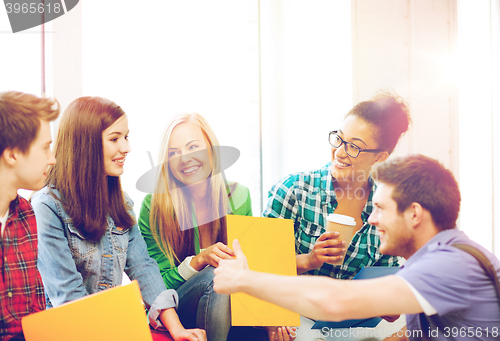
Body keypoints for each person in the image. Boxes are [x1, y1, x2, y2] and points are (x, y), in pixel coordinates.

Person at [214, 154, 500, 341]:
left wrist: (243, 278)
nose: (372, 219)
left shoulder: (449, 265)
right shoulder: (439, 258)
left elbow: (336, 301)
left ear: (414, 214)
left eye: (380, 208)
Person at [31, 97, 206, 341]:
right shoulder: (46, 207)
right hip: (71, 332)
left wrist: (177, 330)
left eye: (126, 137)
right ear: (85, 144)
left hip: (109, 328)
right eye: (115, 139)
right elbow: (69, 297)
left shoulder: (122, 203)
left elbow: (143, 268)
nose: (126, 148)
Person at [263, 92, 411, 339]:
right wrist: (309, 260)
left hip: (354, 324)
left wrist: (389, 305)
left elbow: (386, 283)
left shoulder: (387, 209)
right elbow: (258, 266)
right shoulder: (295, 190)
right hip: (298, 317)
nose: (340, 152)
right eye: (339, 140)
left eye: (354, 146)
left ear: (380, 156)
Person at [138, 113, 254, 341]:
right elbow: (155, 284)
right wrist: (198, 261)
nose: (185, 159)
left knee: (224, 277)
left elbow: (253, 266)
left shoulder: (239, 196)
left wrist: (270, 319)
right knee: (216, 275)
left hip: (230, 305)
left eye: (193, 147)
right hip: (179, 306)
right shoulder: (155, 206)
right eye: (174, 153)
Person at [0, 91, 59, 341]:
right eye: (45, 147)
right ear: (13, 154)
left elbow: (35, 307)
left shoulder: (25, 213)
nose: (52, 159)